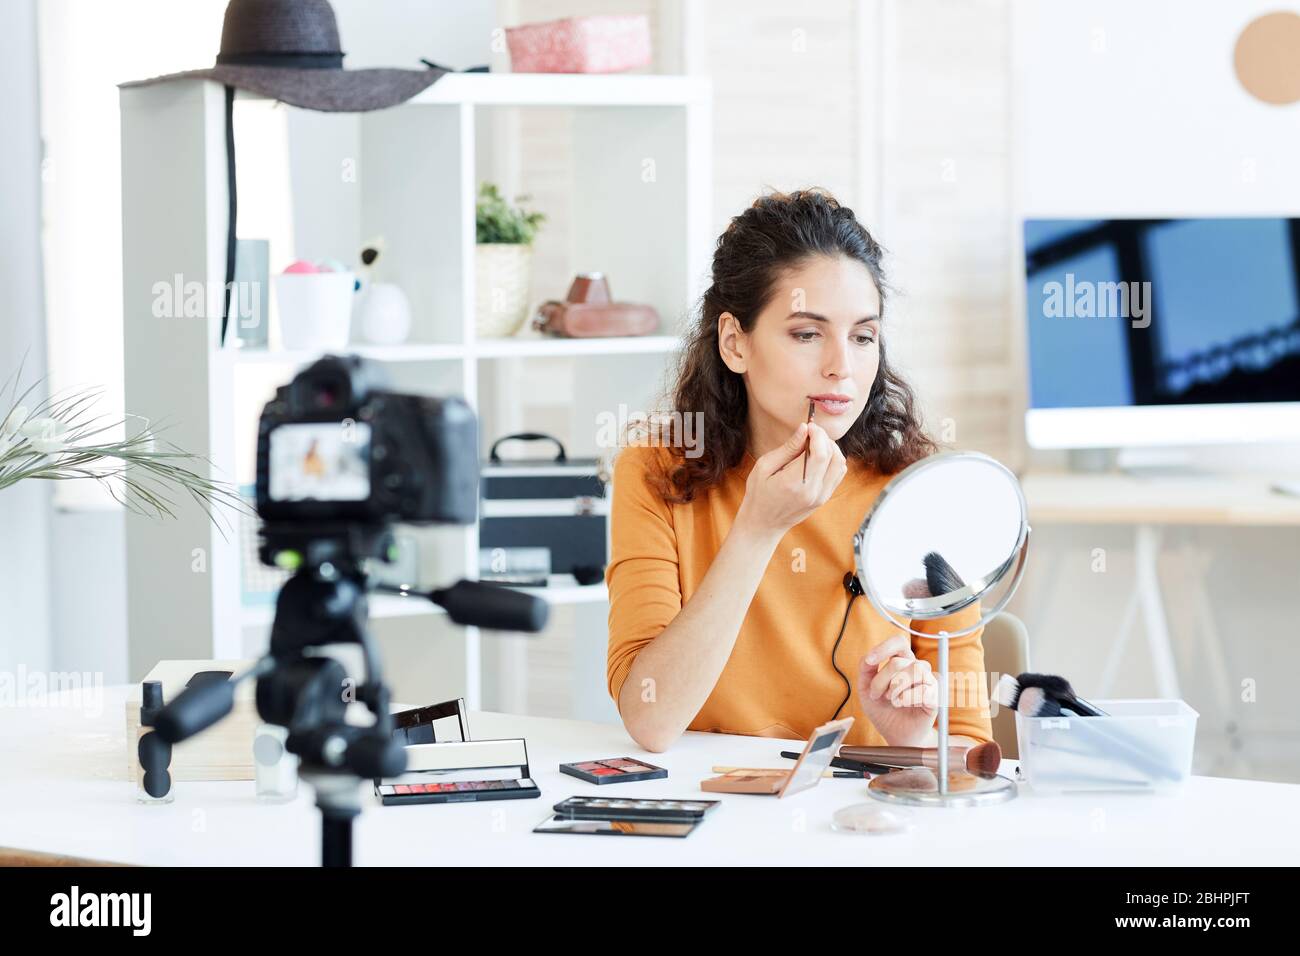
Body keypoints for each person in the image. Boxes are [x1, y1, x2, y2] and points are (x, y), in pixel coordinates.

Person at [605, 188, 994, 752]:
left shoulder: (917, 488)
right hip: (713, 810)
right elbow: (651, 718)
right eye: (807, 334)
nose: (842, 367)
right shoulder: (656, 473)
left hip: (861, 816)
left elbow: (968, 748)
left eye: (863, 337)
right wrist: (758, 529)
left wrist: (910, 741)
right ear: (736, 344)